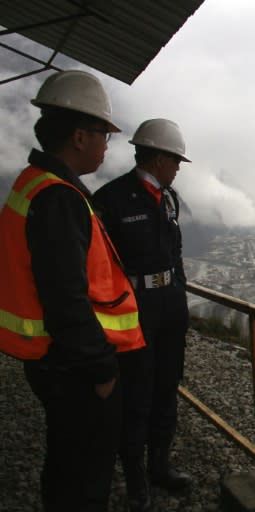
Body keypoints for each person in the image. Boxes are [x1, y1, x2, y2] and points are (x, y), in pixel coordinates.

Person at [0, 70, 146, 511]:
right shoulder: (59, 198)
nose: (107, 145)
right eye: (104, 133)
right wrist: (101, 371)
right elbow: (66, 297)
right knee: (84, 477)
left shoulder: (38, 185)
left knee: (67, 463)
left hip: (53, 361)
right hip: (74, 368)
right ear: (80, 136)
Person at [93, 118, 193, 512]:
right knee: (137, 393)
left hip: (167, 307)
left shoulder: (168, 198)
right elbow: (100, 266)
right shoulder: (111, 199)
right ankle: (136, 481)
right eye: (175, 160)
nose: (178, 168)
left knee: (166, 388)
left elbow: (175, 254)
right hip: (133, 312)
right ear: (156, 157)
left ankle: (160, 466)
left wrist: (179, 298)